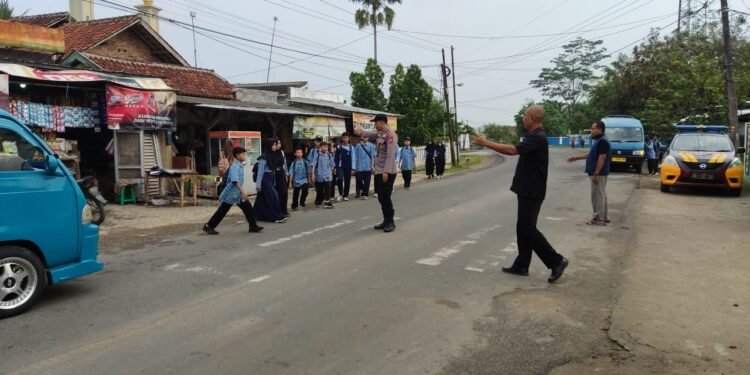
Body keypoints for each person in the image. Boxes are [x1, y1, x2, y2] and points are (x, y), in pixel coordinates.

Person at [472, 105, 569, 283]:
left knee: (527, 228)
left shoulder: (537, 137)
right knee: (522, 227)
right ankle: (522, 264)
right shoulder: (534, 136)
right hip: (527, 189)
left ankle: (556, 261)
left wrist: (486, 143)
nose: (523, 118)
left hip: (532, 190)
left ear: (531, 118)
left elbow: (512, 150)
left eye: (525, 115)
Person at [203, 147, 263, 235]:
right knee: (223, 210)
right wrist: (243, 192)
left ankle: (253, 225)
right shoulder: (235, 166)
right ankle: (209, 226)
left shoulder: (238, 165)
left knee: (247, 207)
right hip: (231, 193)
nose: (245, 156)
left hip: (236, 193)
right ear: (238, 155)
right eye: (243, 154)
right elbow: (235, 181)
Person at [354, 114, 398, 233]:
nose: (374, 124)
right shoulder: (380, 134)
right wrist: (361, 131)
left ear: (381, 122)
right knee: (380, 196)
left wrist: (386, 171)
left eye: (376, 122)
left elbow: (390, 155)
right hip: (379, 171)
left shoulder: (390, 135)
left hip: (387, 171)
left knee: (385, 196)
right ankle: (385, 220)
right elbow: (370, 134)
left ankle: (390, 221)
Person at [567, 120, 612, 226]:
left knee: (597, 196)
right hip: (599, 173)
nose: (591, 131)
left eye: (593, 128)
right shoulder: (600, 140)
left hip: (599, 173)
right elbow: (592, 154)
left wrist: (596, 173)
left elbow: (602, 157)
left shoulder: (602, 141)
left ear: (600, 129)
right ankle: (603, 217)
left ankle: (598, 219)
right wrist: (576, 158)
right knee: (601, 194)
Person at [254, 139, 288, 223]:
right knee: (273, 196)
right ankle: (276, 216)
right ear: (269, 146)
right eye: (273, 145)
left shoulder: (272, 155)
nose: (275, 146)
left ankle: (257, 215)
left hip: (271, 177)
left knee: (262, 198)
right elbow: (260, 172)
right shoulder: (263, 157)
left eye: (275, 144)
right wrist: (258, 185)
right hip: (265, 178)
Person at [311, 141, 336, 209]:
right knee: (319, 190)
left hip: (328, 175)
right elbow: (313, 165)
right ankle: (318, 202)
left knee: (328, 188)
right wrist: (313, 174)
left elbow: (332, 164)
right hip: (319, 175)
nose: (325, 148)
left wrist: (333, 170)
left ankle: (327, 202)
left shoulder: (329, 155)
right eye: (324, 147)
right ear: (320, 147)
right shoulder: (317, 155)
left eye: (326, 147)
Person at [271, 139, 290, 216]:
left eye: (279, 143)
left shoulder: (281, 152)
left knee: (284, 193)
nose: (278, 145)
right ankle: (278, 211)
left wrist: (286, 174)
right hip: (273, 175)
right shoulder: (270, 153)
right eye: (276, 143)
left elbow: (284, 165)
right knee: (276, 194)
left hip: (281, 174)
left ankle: (284, 210)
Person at [354, 134, 376, 199]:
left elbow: (372, 157)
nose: (365, 138)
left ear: (368, 137)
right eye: (364, 137)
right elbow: (355, 157)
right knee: (359, 179)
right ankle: (363, 190)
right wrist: (355, 167)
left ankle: (365, 194)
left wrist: (372, 166)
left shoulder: (371, 146)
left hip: (368, 166)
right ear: (361, 137)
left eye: (366, 137)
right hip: (359, 167)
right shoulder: (358, 146)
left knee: (367, 181)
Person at [334, 132, 355, 201]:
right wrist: (335, 167)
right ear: (342, 138)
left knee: (347, 181)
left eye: (347, 138)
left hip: (348, 166)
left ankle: (345, 195)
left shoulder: (351, 147)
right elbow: (336, 158)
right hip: (340, 166)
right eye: (344, 138)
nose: (345, 139)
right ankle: (341, 193)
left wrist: (353, 168)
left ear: (349, 138)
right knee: (340, 179)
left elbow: (353, 158)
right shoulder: (339, 147)